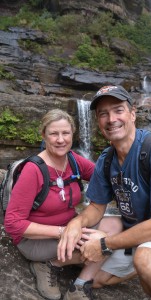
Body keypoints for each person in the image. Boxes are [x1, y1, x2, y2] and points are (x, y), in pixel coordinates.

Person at [57, 85, 151, 300]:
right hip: (134, 228)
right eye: (103, 113)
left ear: (132, 114)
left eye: (118, 110)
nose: (111, 119)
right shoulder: (107, 158)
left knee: (147, 260)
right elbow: (95, 207)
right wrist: (76, 223)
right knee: (97, 279)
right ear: (98, 121)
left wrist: (104, 244)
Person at [4, 109, 99, 300]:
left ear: (73, 134)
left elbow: (102, 178)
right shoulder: (33, 170)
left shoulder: (73, 160)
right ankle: (46, 264)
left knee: (115, 226)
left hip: (70, 227)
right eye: (54, 134)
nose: (60, 139)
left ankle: (80, 284)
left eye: (65, 133)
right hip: (35, 240)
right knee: (103, 244)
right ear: (43, 135)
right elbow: (12, 223)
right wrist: (63, 232)